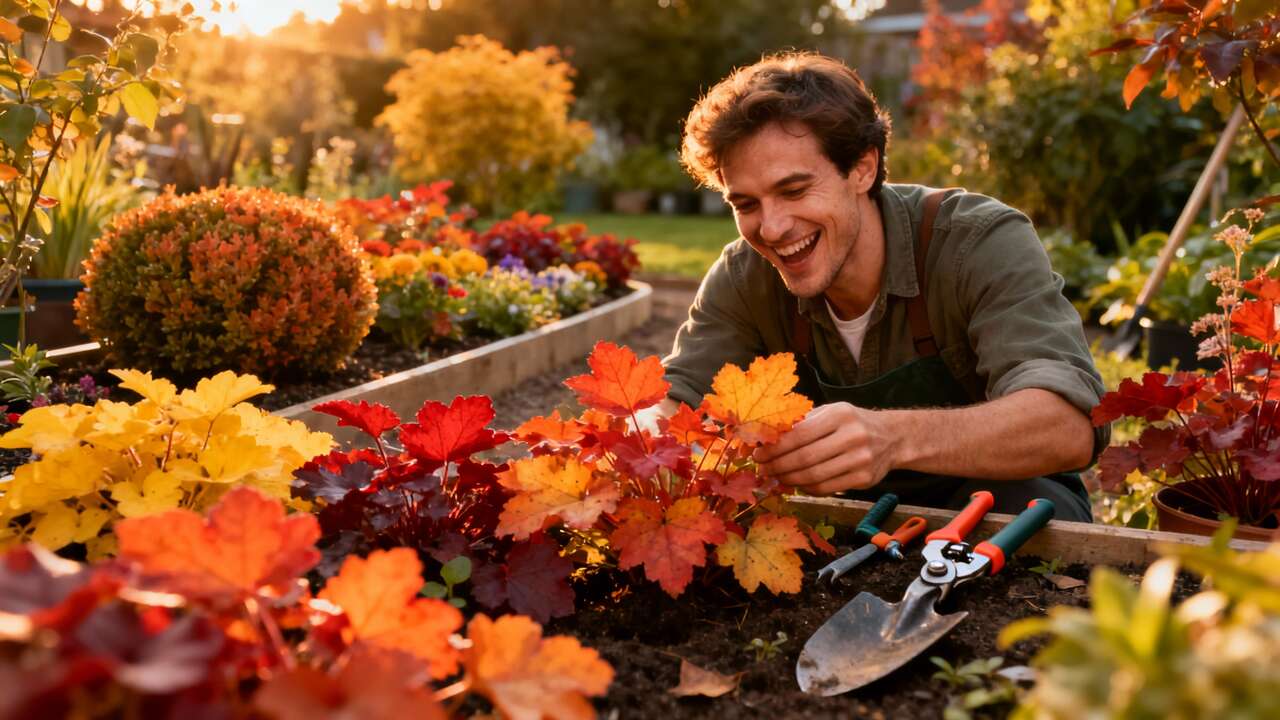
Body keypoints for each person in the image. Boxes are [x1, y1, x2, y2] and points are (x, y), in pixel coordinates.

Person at [647, 52, 1105, 523]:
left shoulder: (977, 242)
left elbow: (1068, 425)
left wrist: (892, 438)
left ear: (863, 168)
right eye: (745, 203)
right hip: (842, 519)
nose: (772, 228)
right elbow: (675, 402)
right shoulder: (746, 276)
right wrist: (626, 444)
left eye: (795, 191)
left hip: (993, 510)